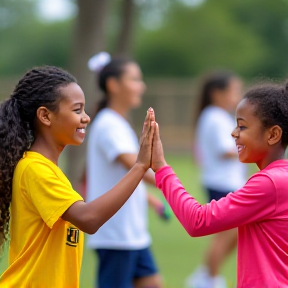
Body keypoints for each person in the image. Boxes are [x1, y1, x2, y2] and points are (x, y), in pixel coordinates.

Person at [0, 65, 156, 288]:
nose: (86, 118)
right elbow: (89, 219)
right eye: (77, 110)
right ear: (45, 115)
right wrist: (140, 166)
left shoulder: (49, 169)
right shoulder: (35, 169)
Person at [150, 79, 288, 287]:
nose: (234, 133)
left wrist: (161, 168)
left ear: (273, 134)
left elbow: (197, 221)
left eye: (242, 126)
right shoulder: (278, 179)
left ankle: (207, 279)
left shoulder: (270, 183)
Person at [85, 52, 164, 288]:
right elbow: (136, 166)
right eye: (134, 79)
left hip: (131, 233)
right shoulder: (109, 123)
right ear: (113, 85)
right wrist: (169, 183)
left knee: (153, 283)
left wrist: (149, 199)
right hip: (116, 234)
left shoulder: (117, 122)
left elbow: (123, 176)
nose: (142, 86)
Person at [187, 70, 247, 288]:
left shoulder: (219, 116)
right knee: (225, 235)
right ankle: (209, 280)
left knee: (235, 234)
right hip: (221, 183)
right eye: (234, 91)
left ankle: (206, 275)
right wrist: (254, 144)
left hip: (229, 183)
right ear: (216, 93)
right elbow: (226, 150)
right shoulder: (214, 116)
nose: (237, 96)